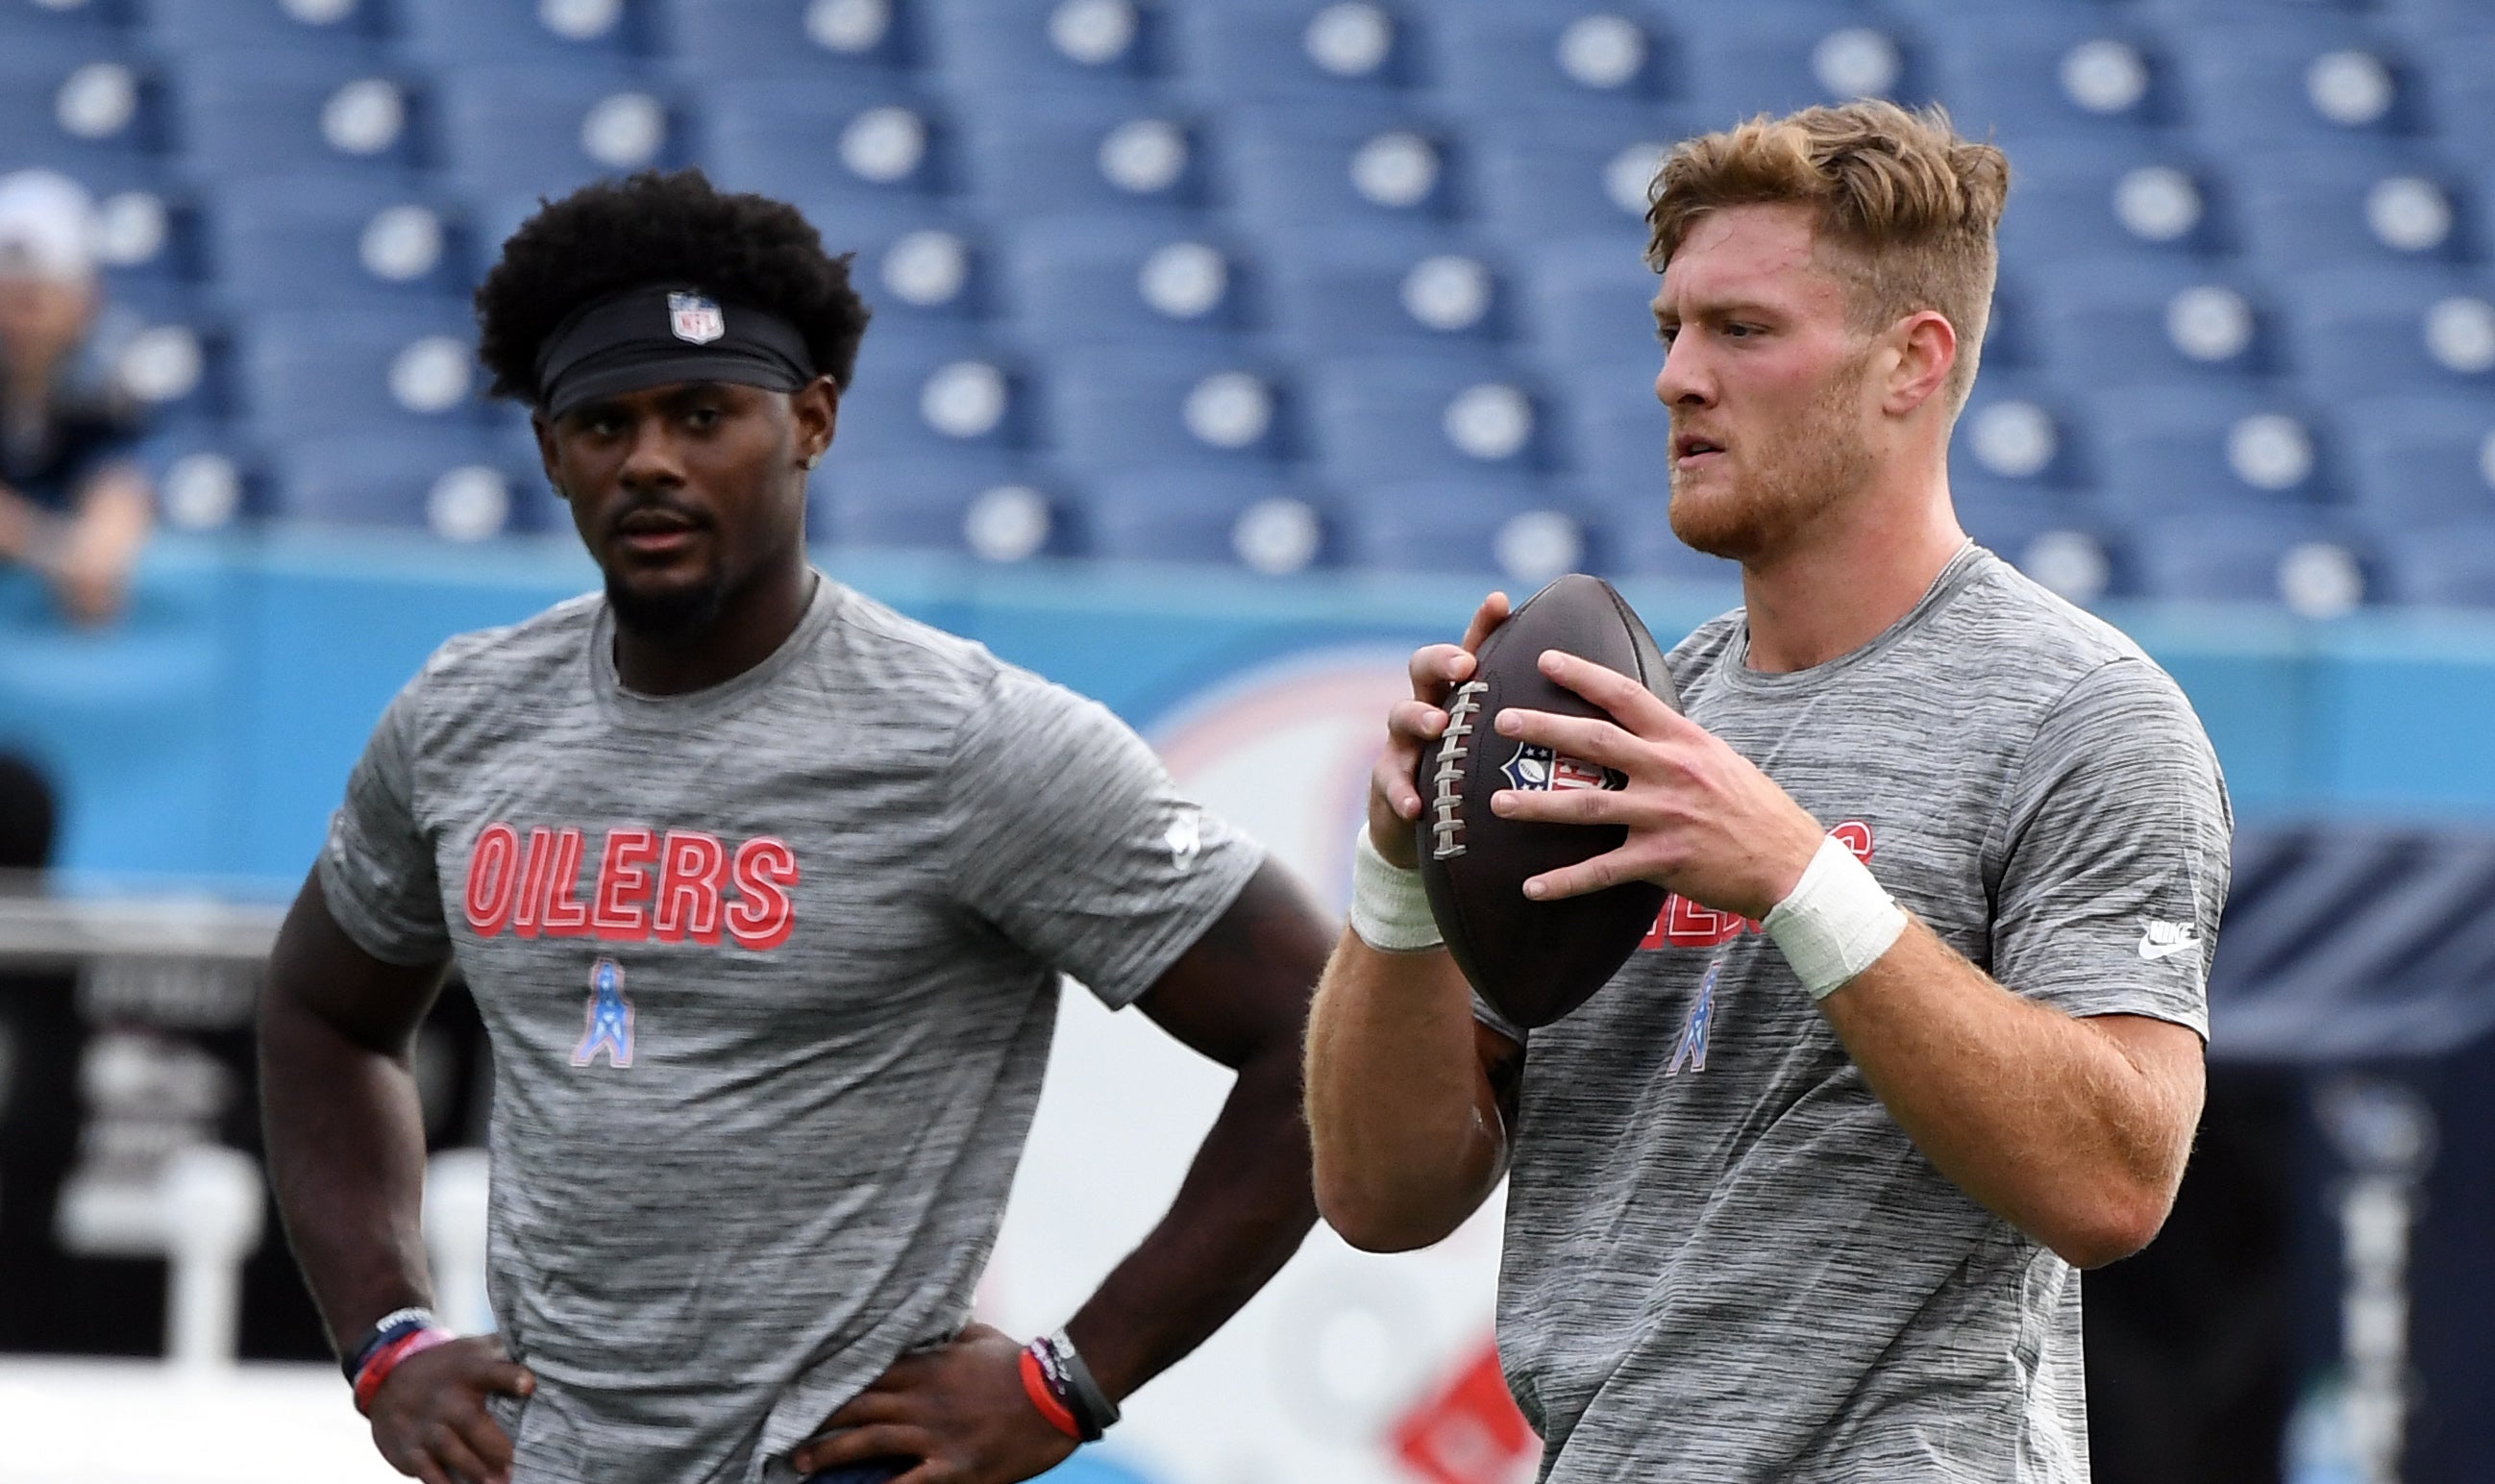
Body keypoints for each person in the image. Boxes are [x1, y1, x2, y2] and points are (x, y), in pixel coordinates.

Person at [257, 169, 1334, 1484]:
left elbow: (1321, 1034)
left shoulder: (971, 743)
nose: (651, 459)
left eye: (704, 414)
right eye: (605, 423)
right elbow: (322, 1014)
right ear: (551, 453)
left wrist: (1071, 1379)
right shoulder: (463, 717)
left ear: (811, 420)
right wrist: (389, 1340)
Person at [1304, 101, 2232, 1481]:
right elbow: (1380, 1196)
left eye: (1741, 331)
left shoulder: (2086, 716)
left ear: (1910, 362)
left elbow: (2114, 1181)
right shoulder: (1625, 722)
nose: (1679, 377)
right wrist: (1400, 872)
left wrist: (1801, 879)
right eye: (1670, 330)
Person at [0, 170, 153, 627]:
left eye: (33, 301)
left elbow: (119, 481)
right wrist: (55, 550)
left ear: (83, 300)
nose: (15, 322)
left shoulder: (105, 383)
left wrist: (96, 551)